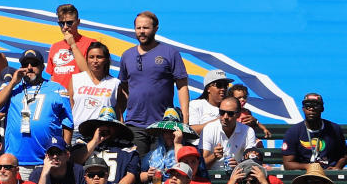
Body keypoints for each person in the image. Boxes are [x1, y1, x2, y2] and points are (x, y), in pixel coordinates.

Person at [118, 12, 189, 156]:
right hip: (134, 124)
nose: (141, 32)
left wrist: (185, 120)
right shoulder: (127, 55)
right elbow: (124, 89)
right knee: (136, 169)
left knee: (161, 170)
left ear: (156, 28)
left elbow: (182, 87)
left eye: (146, 28)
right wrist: (120, 118)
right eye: (138, 28)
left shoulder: (170, 53)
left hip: (162, 125)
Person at [0, 49, 73, 174]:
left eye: (34, 64)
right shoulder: (11, 87)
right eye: (25, 65)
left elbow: (67, 123)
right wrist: (13, 82)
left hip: (48, 159)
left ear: (42, 66)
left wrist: (64, 151)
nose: (29, 68)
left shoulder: (57, 89)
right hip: (16, 161)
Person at [282, 93, 347, 170]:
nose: (311, 109)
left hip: (328, 173)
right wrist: (309, 167)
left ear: (322, 109)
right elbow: (288, 163)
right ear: (303, 109)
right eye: (308, 106)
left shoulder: (334, 129)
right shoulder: (293, 132)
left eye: (316, 105)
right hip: (304, 174)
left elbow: (344, 154)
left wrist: (337, 167)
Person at [68, 42, 119, 129]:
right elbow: (70, 108)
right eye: (91, 57)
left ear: (106, 59)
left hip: (103, 133)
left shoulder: (115, 83)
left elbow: (118, 113)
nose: (95, 61)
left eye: (99, 57)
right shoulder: (76, 79)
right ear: (87, 59)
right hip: (77, 132)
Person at [200, 97, 257, 170]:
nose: (225, 117)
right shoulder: (209, 128)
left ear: (238, 115)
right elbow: (201, 166)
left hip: (238, 176)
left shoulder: (248, 131)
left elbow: (251, 162)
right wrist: (214, 156)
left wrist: (238, 166)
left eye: (230, 113)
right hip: (211, 176)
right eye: (222, 112)